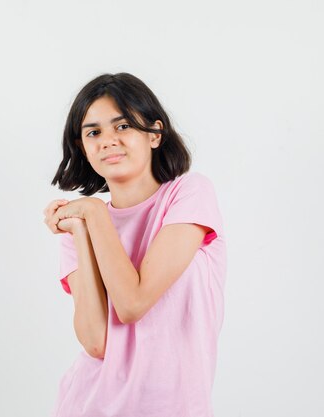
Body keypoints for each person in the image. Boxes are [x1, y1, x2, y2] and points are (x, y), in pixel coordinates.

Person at [42, 72, 227, 417]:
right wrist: (81, 232)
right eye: (93, 132)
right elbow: (96, 342)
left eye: (123, 126)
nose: (108, 140)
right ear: (83, 147)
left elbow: (133, 303)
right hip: (90, 404)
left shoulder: (189, 194)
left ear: (155, 134)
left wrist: (95, 214)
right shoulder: (77, 225)